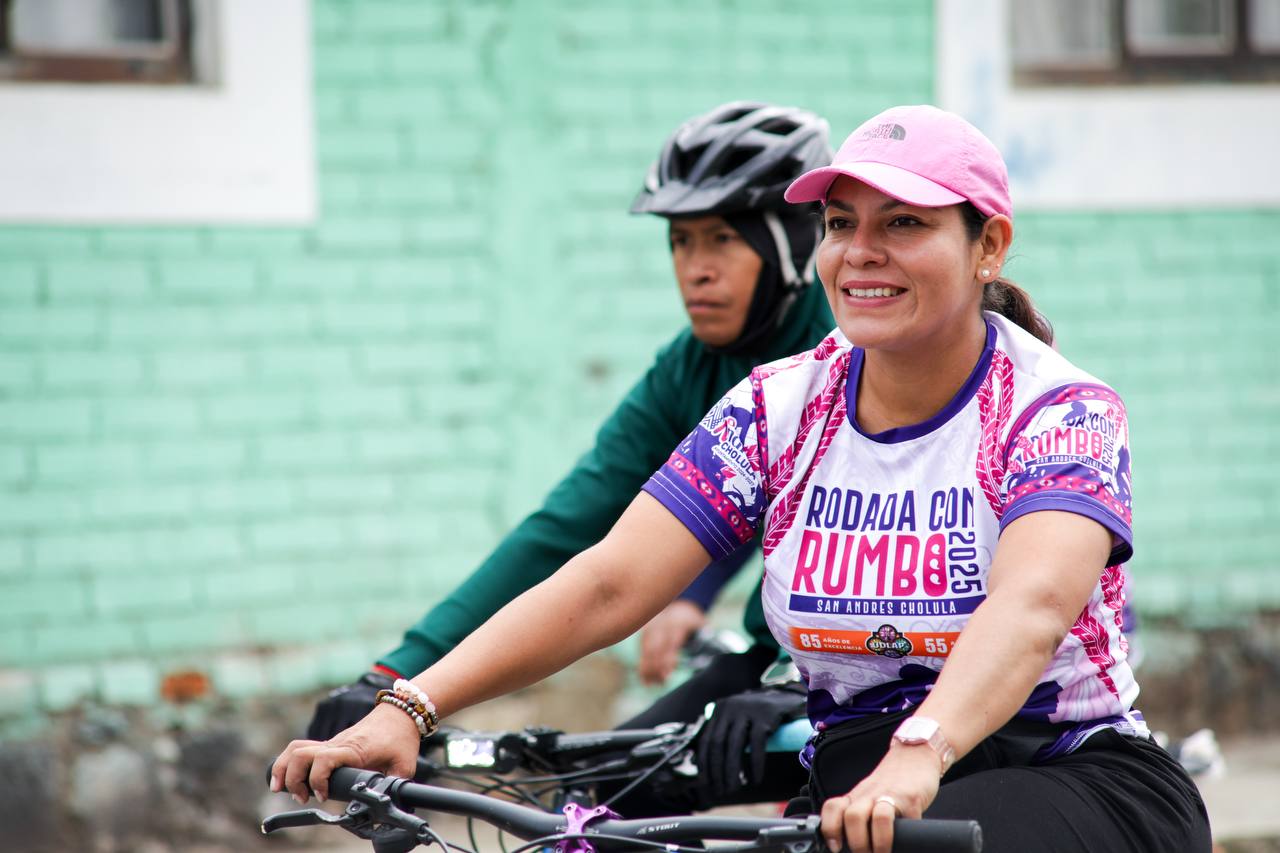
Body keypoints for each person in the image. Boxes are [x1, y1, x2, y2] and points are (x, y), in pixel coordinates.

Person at [273, 105, 1212, 852]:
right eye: (842, 224)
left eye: (905, 224)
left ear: (987, 245)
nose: (862, 251)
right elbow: (609, 578)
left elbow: (1035, 603)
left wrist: (920, 752)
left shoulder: (1057, 409)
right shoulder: (781, 405)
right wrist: (408, 704)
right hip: (859, 799)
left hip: (1062, 777)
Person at [304, 101, 831, 800]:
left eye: (722, 240)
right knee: (596, 805)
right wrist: (395, 677)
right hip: (772, 666)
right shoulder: (687, 369)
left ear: (791, 246)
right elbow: (569, 526)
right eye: (680, 241)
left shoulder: (847, 355)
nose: (695, 270)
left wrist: (788, 673)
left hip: (874, 679)